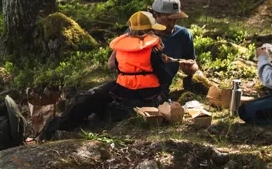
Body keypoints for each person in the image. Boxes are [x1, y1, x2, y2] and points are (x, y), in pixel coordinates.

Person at [38, 11, 175, 139]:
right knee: (112, 108)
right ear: (149, 31)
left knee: (87, 97)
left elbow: (116, 65)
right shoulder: (153, 50)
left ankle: (50, 131)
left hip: (121, 89)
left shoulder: (122, 47)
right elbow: (165, 77)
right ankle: (92, 120)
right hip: (145, 95)